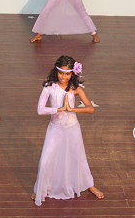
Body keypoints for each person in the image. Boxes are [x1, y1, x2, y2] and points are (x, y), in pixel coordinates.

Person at [33, 55, 104, 206]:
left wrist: (72, 109)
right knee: (46, 160)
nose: (63, 77)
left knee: (78, 157)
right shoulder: (49, 87)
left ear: (72, 74)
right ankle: (41, 188)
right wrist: (59, 109)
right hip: (55, 129)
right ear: (56, 71)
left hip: (72, 129)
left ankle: (89, 185)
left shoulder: (76, 89)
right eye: (61, 73)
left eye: (67, 74)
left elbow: (90, 108)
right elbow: (40, 110)